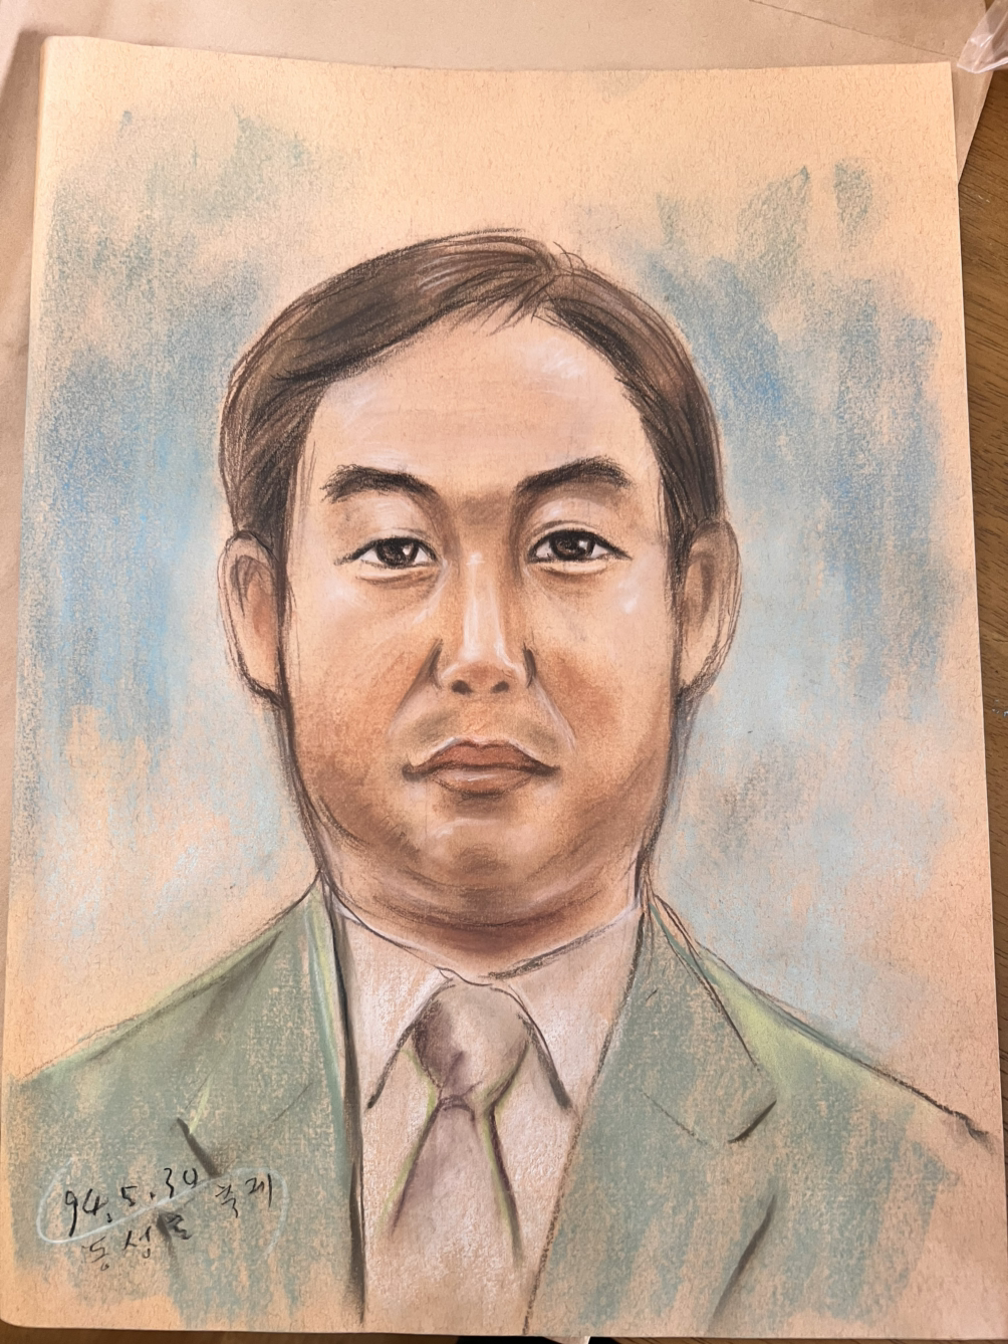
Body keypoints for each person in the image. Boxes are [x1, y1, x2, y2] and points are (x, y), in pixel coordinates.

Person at [6, 233, 998, 1337]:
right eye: (395, 551)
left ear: (698, 604)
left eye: (569, 544)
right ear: (261, 613)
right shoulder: (54, 1153)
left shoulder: (928, 1197)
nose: (482, 653)